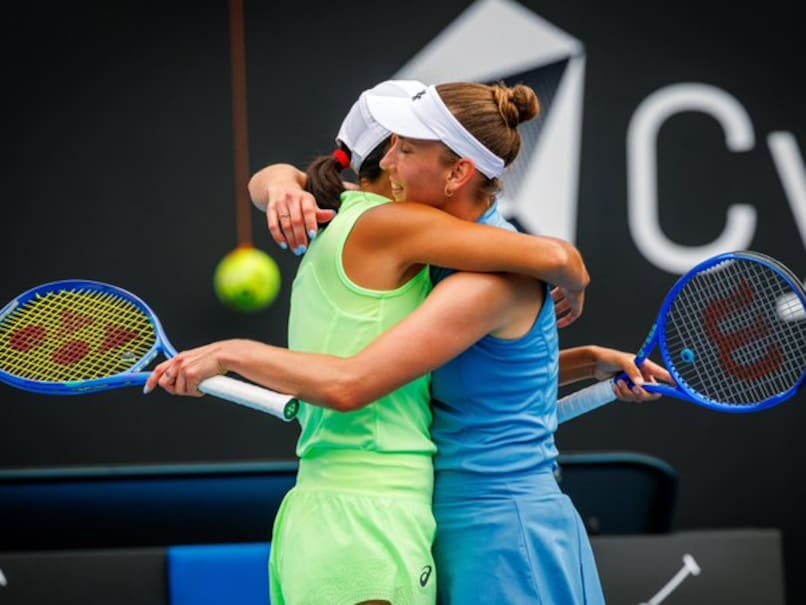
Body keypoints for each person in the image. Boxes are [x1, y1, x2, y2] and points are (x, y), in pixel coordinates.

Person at [147, 80, 671, 604]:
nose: (390, 160)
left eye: (409, 149)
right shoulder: (429, 249)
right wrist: (586, 358)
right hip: (443, 522)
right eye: (392, 145)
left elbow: (358, 382)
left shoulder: (489, 273)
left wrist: (230, 352)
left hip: (506, 531)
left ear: (458, 173)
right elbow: (474, 371)